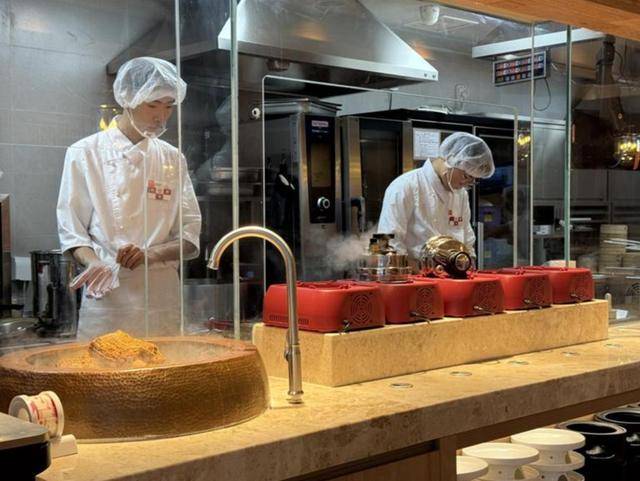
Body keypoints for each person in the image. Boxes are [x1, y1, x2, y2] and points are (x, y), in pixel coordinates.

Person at [56, 57, 202, 339]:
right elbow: (72, 233)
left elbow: (189, 234)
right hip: (108, 298)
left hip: (160, 299)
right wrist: (94, 263)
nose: (162, 116)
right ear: (128, 99)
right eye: (153, 105)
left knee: (163, 365)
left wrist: (149, 255)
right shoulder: (85, 153)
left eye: (169, 106)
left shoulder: (172, 158)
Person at [377, 132, 494, 263]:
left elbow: (467, 236)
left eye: (473, 181)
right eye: (467, 176)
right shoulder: (404, 185)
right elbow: (383, 243)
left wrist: (469, 260)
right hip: (412, 272)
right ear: (451, 160)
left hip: (453, 271)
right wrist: (413, 269)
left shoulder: (461, 194)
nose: (466, 184)